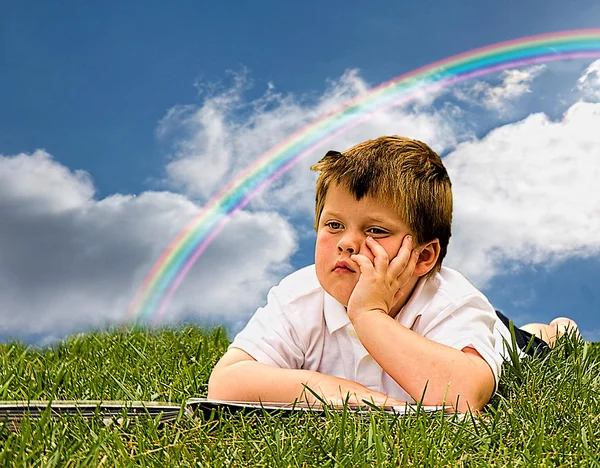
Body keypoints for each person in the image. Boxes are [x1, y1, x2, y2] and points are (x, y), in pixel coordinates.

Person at [208, 136, 579, 413]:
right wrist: (352, 396)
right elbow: (227, 382)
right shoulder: (299, 295)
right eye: (334, 225)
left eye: (376, 231)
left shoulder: (452, 302)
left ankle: (553, 329)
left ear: (424, 256)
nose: (348, 244)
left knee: (529, 344)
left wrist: (368, 315)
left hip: (494, 335)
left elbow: (463, 395)